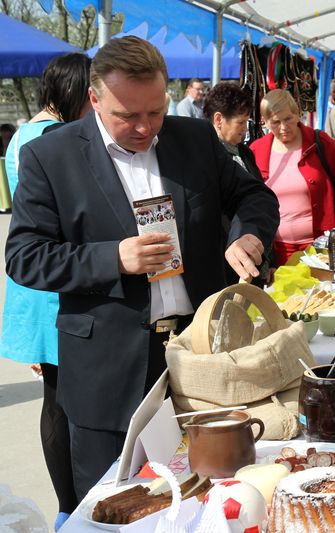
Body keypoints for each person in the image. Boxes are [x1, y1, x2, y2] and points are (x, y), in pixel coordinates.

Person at [4, 36, 279, 503]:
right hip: (107, 369)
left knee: (211, 496)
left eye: (154, 111)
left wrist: (246, 234)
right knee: (115, 503)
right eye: (127, 115)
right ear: (94, 99)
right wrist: (113, 258)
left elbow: (254, 196)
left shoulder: (192, 139)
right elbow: (24, 255)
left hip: (199, 357)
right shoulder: (51, 157)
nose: (144, 127)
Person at [1, 52, 91, 531]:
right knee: (72, 399)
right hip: (61, 282)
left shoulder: (20, 135)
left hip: (32, 284)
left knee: (52, 399)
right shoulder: (61, 137)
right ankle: (77, 501)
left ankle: (63, 506)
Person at [250, 89, 335, 265]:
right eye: (275, 122)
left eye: (288, 119)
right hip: (277, 250)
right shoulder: (257, 150)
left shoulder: (320, 142)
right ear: (265, 122)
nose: (283, 127)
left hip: (323, 247)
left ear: (298, 114)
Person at [202, 81, 260, 178]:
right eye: (240, 122)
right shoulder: (204, 157)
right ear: (218, 119)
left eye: (246, 122)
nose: (245, 129)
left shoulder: (246, 153)